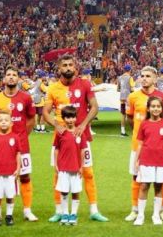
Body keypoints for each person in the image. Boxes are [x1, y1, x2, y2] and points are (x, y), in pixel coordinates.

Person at [43, 54, 108, 222]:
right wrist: (56, 125)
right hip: (62, 140)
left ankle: (94, 210)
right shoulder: (53, 89)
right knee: (58, 173)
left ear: (75, 67)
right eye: (64, 65)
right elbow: (45, 112)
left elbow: (94, 107)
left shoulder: (85, 84)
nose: (67, 68)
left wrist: (84, 124)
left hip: (81, 137)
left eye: (70, 65)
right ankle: (59, 211)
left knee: (88, 173)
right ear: (59, 68)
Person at [124, 67, 163, 222]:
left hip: (159, 147)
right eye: (142, 76)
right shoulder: (133, 96)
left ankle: (162, 209)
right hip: (138, 145)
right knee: (136, 177)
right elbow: (130, 118)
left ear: (155, 79)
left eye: (148, 76)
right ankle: (135, 209)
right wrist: (141, 133)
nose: (144, 78)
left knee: (161, 180)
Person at [0, 67, 37, 221]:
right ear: (4, 79)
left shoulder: (26, 98)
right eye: (8, 74)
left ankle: (27, 210)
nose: (11, 77)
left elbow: (31, 119)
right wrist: (3, 136)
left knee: (25, 176)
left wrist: (22, 135)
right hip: (2, 147)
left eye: (14, 75)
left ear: (18, 79)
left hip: (22, 144)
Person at [133, 96, 163, 226]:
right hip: (146, 159)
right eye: (153, 106)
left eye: (158, 106)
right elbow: (140, 143)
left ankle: (156, 215)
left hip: (162, 160)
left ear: (161, 108)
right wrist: (136, 160)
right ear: (148, 108)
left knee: (159, 187)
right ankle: (140, 215)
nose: (155, 109)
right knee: (144, 186)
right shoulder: (144, 124)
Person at [0, 111, 21, 227]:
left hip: (11, 173)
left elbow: (18, 154)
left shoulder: (15, 137)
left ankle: (9, 216)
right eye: (1, 120)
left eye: (6, 120)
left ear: (11, 123)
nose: (3, 122)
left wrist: (18, 168)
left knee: (10, 196)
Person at [53, 105, 85, 226]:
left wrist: (81, 166)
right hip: (63, 168)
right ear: (63, 118)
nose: (70, 120)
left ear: (76, 118)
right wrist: (56, 164)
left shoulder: (79, 133)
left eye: (72, 117)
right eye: (67, 117)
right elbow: (56, 149)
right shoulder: (60, 133)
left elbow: (82, 151)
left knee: (75, 191)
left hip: (76, 168)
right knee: (64, 191)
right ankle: (65, 213)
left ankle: (73, 214)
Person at [118, 64, 135, 136]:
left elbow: (118, 89)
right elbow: (132, 89)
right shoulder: (130, 78)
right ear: (130, 70)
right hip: (128, 98)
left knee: (123, 114)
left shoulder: (119, 77)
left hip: (122, 98)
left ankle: (122, 131)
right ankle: (134, 130)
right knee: (131, 114)